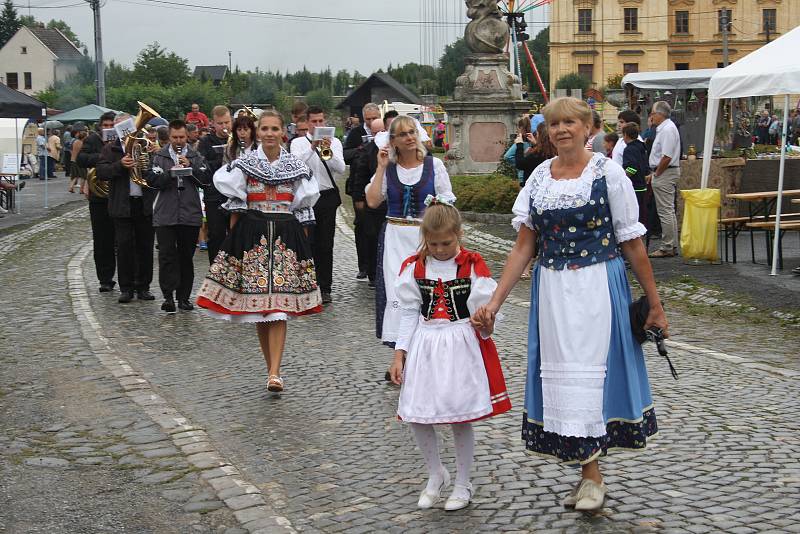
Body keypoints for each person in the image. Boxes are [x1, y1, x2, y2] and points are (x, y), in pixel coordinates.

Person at [473, 96, 666, 512]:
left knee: (592, 375)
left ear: (588, 127)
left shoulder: (608, 173)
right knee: (563, 377)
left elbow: (633, 243)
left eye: (570, 123)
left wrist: (655, 304)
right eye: (554, 123)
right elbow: (524, 247)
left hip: (599, 285)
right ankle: (588, 472)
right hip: (554, 291)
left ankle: (592, 476)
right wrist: (494, 301)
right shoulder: (540, 177)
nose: (561, 130)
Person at [388, 200, 511, 511]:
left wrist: (486, 322)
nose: (440, 249)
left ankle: (463, 482)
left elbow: (487, 314)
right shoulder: (414, 267)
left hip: (460, 344)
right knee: (417, 413)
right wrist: (399, 354)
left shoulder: (472, 266)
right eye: (433, 244)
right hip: (426, 344)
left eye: (447, 242)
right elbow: (408, 314)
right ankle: (435, 473)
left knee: (460, 417)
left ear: (459, 235)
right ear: (424, 239)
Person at [196, 110, 322, 393]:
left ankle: (275, 371)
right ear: (257, 132)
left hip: (285, 236)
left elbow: (302, 207)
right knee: (261, 307)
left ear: (282, 133)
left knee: (278, 307)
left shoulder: (296, 166)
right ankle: (271, 369)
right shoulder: (244, 164)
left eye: (274, 129)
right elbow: (235, 205)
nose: (269, 133)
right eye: (264, 128)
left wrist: (303, 246)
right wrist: (233, 241)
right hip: (253, 235)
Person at [365, 115, 455, 348]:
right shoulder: (389, 168)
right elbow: (373, 201)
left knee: (426, 289)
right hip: (395, 236)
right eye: (403, 134)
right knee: (398, 292)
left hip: (425, 237)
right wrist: (381, 167)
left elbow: (448, 199)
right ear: (393, 141)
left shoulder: (433, 165)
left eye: (412, 132)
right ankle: (401, 351)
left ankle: (427, 346)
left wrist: (438, 205)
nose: (409, 138)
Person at [146, 119, 210, 313]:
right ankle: (168, 297)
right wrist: (170, 174)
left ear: (187, 136)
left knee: (185, 257)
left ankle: (183, 297)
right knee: (166, 256)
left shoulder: (195, 155)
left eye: (182, 137)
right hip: (165, 214)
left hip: (189, 214)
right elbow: (152, 180)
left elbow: (206, 180)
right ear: (169, 137)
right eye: (175, 137)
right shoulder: (159, 156)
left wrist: (190, 167)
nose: (179, 141)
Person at [96, 113, 157, 304]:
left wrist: (156, 154)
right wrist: (119, 165)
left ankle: (144, 286)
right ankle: (126, 288)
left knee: (145, 247)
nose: (125, 131)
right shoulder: (110, 149)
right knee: (124, 247)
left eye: (128, 127)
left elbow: (158, 171)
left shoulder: (145, 146)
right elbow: (101, 172)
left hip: (144, 203)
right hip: (122, 204)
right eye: (120, 128)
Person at [290, 106, 345, 305]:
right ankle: (307, 284)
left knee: (325, 244)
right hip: (307, 198)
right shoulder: (298, 143)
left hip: (327, 196)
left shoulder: (334, 142)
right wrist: (312, 148)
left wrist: (326, 150)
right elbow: (295, 166)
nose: (318, 125)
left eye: (321, 121)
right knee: (307, 243)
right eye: (314, 122)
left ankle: (325, 287)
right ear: (307, 123)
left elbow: (339, 168)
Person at [77, 111, 118, 293]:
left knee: (124, 240)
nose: (108, 129)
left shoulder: (123, 140)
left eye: (112, 126)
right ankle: (105, 279)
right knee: (102, 240)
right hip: (98, 198)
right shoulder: (92, 140)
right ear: (100, 126)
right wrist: (103, 155)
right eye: (106, 126)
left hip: (118, 196)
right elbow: (81, 159)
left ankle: (129, 280)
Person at [344, 102, 382, 281]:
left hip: (379, 185)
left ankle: (377, 263)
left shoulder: (383, 131)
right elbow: (345, 155)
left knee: (376, 228)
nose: (371, 121)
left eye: (374, 118)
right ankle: (364, 265)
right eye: (368, 119)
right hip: (359, 184)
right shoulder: (356, 132)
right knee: (361, 226)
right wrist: (362, 148)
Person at [350, 117, 389, 288]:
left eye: (383, 131)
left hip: (389, 204)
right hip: (372, 204)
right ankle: (373, 274)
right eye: (376, 132)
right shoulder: (367, 150)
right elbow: (360, 175)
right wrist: (359, 198)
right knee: (372, 238)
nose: (380, 134)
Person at [197, 105, 233, 263]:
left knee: (235, 235)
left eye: (227, 122)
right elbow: (203, 166)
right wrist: (223, 157)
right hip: (214, 196)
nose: (224, 127)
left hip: (234, 195)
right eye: (220, 123)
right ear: (213, 123)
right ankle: (215, 270)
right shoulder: (205, 141)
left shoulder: (237, 139)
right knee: (216, 235)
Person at [648, 101, 682, 258]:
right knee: (668, 210)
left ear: (660, 114)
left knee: (665, 211)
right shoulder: (666, 128)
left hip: (665, 172)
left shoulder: (667, 129)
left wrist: (657, 173)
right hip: (665, 171)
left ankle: (668, 245)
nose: (651, 116)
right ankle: (671, 244)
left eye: (653, 113)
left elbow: (666, 156)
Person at [621, 122, 650, 229]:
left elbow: (632, 168)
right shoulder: (641, 146)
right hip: (643, 185)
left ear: (625, 135)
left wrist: (622, 178)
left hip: (634, 186)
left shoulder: (629, 149)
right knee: (642, 212)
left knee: (634, 213)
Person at [504, 115, 532, 187]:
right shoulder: (533, 139)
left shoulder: (520, 141)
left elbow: (507, 156)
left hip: (523, 176)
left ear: (521, 128)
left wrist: (519, 163)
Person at [68, 123, 88, 193]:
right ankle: (81, 189)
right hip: (79, 161)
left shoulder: (75, 141)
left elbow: (71, 150)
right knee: (84, 176)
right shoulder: (82, 143)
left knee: (74, 176)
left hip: (72, 160)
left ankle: (71, 187)